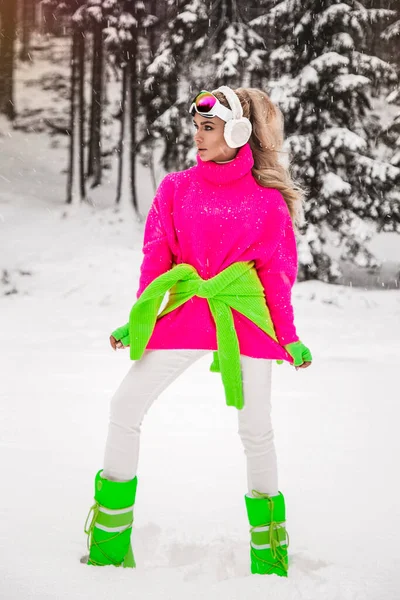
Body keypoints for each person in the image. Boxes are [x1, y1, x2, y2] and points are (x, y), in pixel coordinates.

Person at [83, 86, 312, 577]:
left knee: (256, 429)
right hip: (188, 308)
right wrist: (138, 320)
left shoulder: (268, 203)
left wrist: (288, 336)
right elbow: (156, 258)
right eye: (197, 126)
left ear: (237, 132)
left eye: (208, 127)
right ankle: (107, 544)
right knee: (125, 405)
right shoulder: (175, 188)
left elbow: (278, 275)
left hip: (245, 316)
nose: (198, 136)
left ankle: (269, 556)